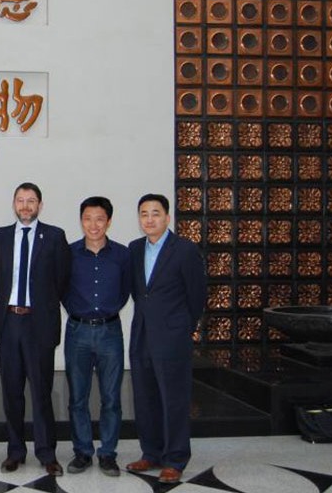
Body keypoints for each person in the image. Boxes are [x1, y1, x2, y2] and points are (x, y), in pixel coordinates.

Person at [0, 182, 70, 476]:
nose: (25, 206)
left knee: (42, 392)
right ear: (13, 204)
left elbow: (61, 281)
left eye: (31, 200)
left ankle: (47, 452)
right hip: (9, 322)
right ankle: (15, 451)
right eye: (20, 200)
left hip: (39, 323)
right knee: (11, 392)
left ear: (40, 205)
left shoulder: (56, 237)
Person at [125, 194, 205, 484]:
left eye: (155, 213)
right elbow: (139, 293)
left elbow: (197, 296)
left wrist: (184, 326)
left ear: (167, 218)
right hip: (142, 333)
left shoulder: (184, 250)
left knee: (174, 398)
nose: (149, 219)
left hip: (172, 336)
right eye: (144, 214)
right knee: (145, 396)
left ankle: (175, 458)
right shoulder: (134, 249)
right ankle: (152, 452)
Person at [62, 196, 131, 477]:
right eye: (88, 219)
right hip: (77, 330)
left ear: (109, 221)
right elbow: (61, 288)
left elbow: (126, 289)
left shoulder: (123, 254)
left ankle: (108, 454)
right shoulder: (68, 253)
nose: (93, 225)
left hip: (109, 331)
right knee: (78, 397)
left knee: (111, 397)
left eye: (99, 219)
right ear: (81, 221)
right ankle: (82, 452)